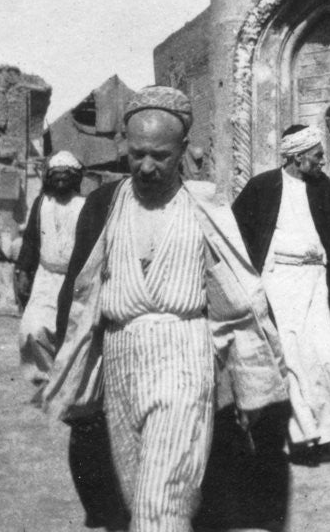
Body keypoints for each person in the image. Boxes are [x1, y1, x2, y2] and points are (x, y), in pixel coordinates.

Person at [45, 86, 291, 532]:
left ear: (182, 150)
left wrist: (250, 381)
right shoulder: (104, 205)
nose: (146, 166)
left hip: (183, 356)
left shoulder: (206, 209)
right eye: (137, 153)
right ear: (124, 145)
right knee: (139, 496)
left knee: (161, 503)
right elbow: (78, 294)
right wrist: (75, 372)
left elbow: (240, 300)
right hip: (120, 359)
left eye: (160, 156)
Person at [233, 123, 330, 465]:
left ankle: (326, 431)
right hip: (277, 282)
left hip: (317, 281)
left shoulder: (322, 186)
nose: (322, 162)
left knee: (328, 357)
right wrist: (246, 280)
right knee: (290, 357)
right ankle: (301, 439)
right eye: (317, 156)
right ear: (297, 157)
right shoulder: (262, 186)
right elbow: (236, 230)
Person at [17, 151, 85, 387]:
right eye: (56, 175)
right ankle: (47, 378)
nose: (61, 180)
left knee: (71, 333)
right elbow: (30, 241)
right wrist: (23, 272)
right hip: (45, 278)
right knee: (33, 329)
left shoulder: (84, 205)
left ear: (75, 178)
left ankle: (67, 382)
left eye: (66, 175)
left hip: (75, 280)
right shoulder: (41, 205)